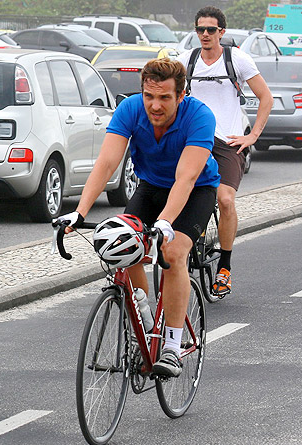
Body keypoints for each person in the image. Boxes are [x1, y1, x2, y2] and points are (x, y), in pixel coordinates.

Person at [57, 58, 220, 377]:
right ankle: (143, 323)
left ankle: (172, 346)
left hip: (195, 191)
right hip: (151, 187)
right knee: (122, 245)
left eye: (164, 98)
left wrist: (164, 224)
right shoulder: (130, 110)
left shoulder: (200, 117)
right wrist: (79, 212)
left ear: (181, 95)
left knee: (172, 254)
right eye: (149, 96)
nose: (155, 105)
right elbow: (105, 164)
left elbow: (185, 179)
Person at [177, 6, 273, 296]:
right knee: (178, 192)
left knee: (226, 199)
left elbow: (265, 97)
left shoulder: (237, 59)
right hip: (194, 139)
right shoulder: (186, 61)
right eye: (200, 29)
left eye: (211, 30)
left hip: (228, 141)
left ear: (222, 32)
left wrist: (252, 136)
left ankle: (225, 267)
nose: (205, 35)